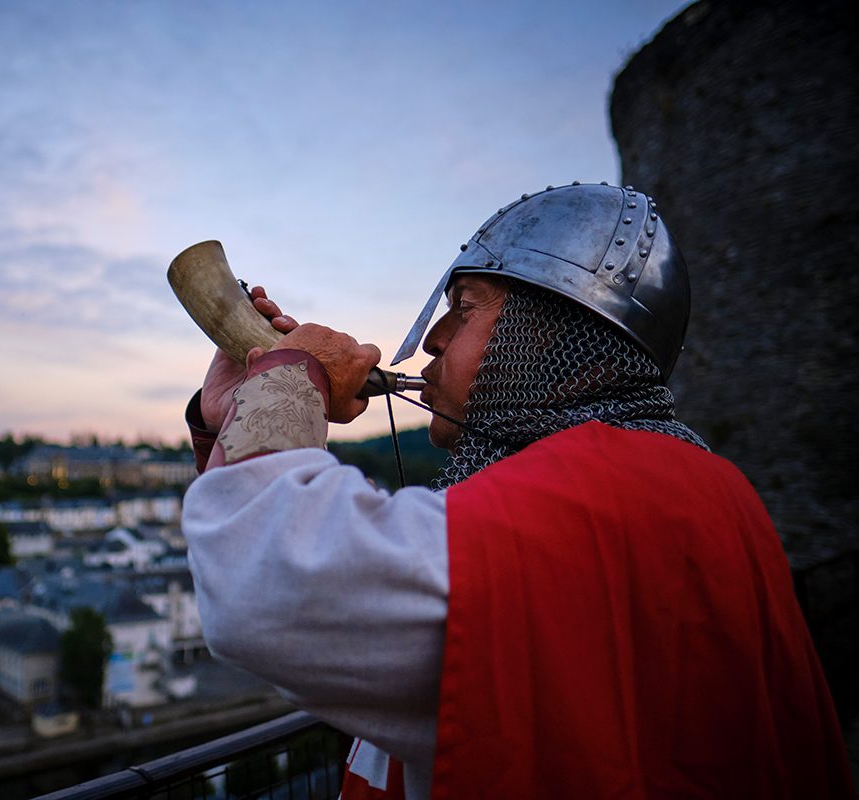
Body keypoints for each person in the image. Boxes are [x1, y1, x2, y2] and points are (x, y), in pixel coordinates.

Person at [180, 183, 853, 799]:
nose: (435, 341)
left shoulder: (598, 496)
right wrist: (240, 412)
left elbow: (268, 583)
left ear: (553, 334)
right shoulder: (686, 480)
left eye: (464, 311)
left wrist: (291, 376)